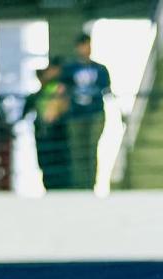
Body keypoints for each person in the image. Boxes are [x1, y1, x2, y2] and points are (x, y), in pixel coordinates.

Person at [61, 32, 111, 190]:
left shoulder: (100, 69)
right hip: (75, 115)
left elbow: (107, 91)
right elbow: (62, 90)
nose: (86, 49)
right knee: (77, 150)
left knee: (91, 149)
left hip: (95, 113)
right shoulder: (69, 69)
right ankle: (79, 185)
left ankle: (91, 184)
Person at [22, 60, 71, 191]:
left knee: (58, 164)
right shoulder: (37, 95)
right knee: (45, 165)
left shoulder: (58, 88)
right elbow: (25, 111)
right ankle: (49, 188)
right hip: (42, 135)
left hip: (56, 134)